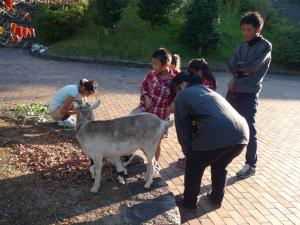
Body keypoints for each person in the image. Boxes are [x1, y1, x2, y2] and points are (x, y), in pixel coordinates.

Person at [171, 73, 249, 210]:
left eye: (176, 90)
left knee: (194, 165)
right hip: (242, 134)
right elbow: (197, 121)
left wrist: (188, 152)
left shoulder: (184, 95)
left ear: (181, 84)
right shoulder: (208, 91)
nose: (176, 95)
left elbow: (183, 128)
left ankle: (189, 202)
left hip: (218, 133)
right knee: (220, 165)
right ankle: (216, 198)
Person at [226, 11, 272, 178]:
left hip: (248, 94)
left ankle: (250, 165)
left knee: (250, 130)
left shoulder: (265, 46)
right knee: (226, 123)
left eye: (249, 30)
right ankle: (222, 156)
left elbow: (253, 67)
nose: (245, 33)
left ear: (258, 29)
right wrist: (240, 70)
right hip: (232, 91)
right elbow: (230, 64)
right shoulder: (240, 46)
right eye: (243, 29)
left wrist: (240, 68)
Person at [176, 58, 217, 169]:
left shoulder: (203, 84)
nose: (190, 76)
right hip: (203, 116)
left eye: (191, 72)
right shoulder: (209, 81)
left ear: (198, 72)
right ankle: (191, 157)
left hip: (198, 118)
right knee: (195, 136)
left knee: (193, 136)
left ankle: (192, 159)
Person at [138, 48, 176, 165]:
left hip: (161, 119)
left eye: (155, 63)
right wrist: (147, 97)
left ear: (165, 65)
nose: (153, 66)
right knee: (141, 140)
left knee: (156, 143)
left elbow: (178, 95)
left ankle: (152, 165)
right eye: (152, 62)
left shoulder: (174, 80)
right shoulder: (151, 75)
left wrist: (174, 103)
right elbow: (143, 86)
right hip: (146, 114)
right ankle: (150, 159)